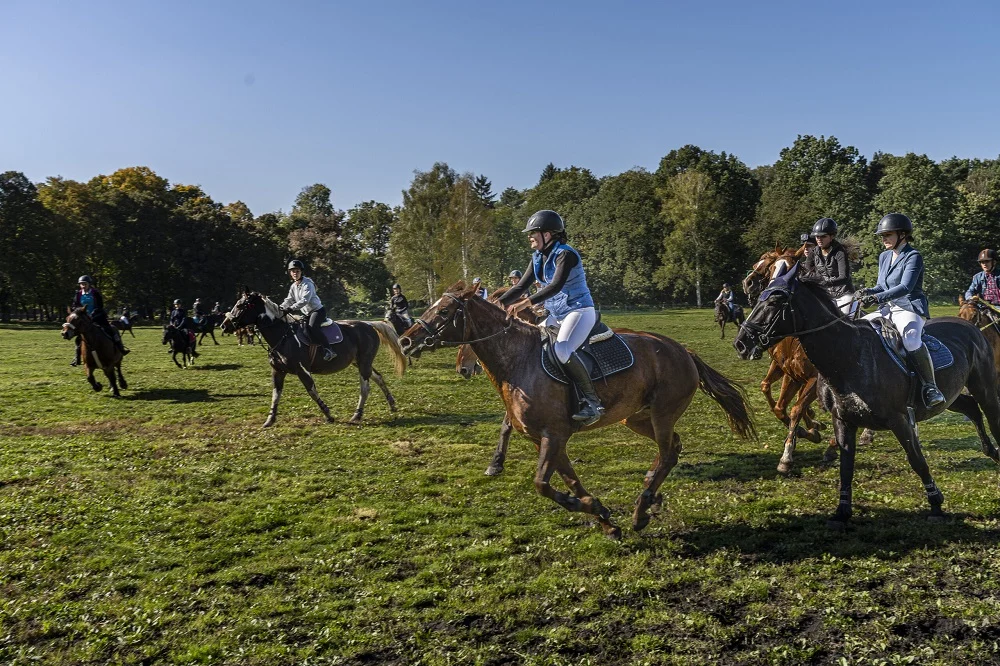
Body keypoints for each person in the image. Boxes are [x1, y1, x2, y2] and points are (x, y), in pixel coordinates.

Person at [500, 210, 604, 425]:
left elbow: (556, 286)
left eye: (533, 233)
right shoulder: (537, 256)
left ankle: (592, 403)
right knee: (535, 346)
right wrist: (497, 305)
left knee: (562, 349)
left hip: (579, 311)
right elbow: (521, 286)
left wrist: (525, 303)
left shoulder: (565, 254)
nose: (529, 237)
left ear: (547, 235)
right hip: (556, 314)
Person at [856, 213, 944, 408]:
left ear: (902, 234)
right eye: (882, 236)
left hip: (909, 307)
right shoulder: (884, 256)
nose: (884, 239)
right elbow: (881, 285)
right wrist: (867, 292)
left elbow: (906, 287)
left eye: (888, 235)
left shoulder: (913, 256)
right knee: (859, 328)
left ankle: (930, 387)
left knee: (911, 338)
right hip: (888, 307)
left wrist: (876, 298)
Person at [280, 259, 336, 361]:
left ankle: (329, 350)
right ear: (290, 273)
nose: (295, 273)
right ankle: (313, 351)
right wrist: (281, 308)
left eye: (297, 271)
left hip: (317, 311)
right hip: (307, 313)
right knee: (303, 329)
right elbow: (289, 299)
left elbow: (305, 300)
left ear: (301, 272)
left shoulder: (308, 284)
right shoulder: (293, 286)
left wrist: (291, 308)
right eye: (293, 271)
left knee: (313, 327)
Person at [800, 217, 856, 316]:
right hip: (825, 294)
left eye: (823, 236)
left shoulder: (840, 252)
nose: (819, 239)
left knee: (843, 316)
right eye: (817, 237)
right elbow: (806, 271)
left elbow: (844, 277)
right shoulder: (814, 252)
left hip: (843, 294)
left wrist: (825, 283)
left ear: (832, 236)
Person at [70, 275, 129, 365]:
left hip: (97, 317)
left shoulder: (95, 293)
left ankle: (120, 348)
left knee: (110, 330)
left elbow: (99, 306)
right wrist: (78, 312)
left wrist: (93, 315)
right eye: (81, 284)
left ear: (89, 284)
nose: (83, 286)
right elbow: (75, 305)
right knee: (79, 337)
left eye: (84, 284)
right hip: (84, 319)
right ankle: (77, 357)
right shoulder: (78, 294)